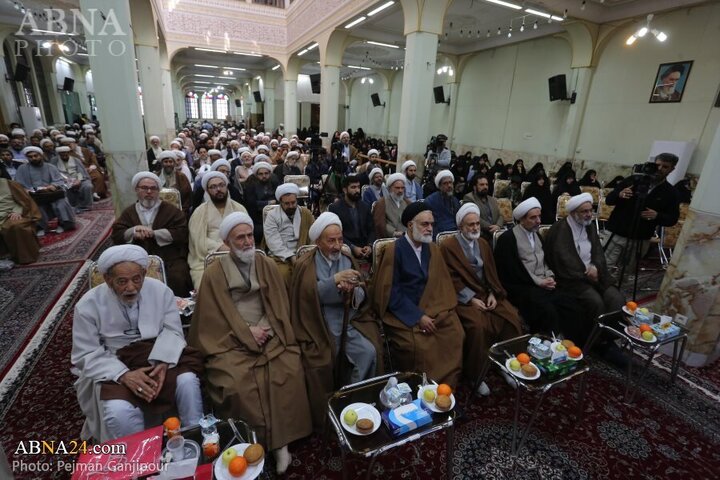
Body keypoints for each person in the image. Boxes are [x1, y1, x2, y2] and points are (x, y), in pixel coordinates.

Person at [189, 213, 311, 474]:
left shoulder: (265, 263)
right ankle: (253, 442)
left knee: (288, 368)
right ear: (227, 242)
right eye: (239, 238)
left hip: (270, 331)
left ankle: (282, 445)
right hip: (230, 338)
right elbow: (213, 317)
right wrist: (246, 332)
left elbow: (278, 302)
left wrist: (264, 328)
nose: (246, 242)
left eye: (249, 236)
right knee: (234, 382)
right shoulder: (214, 273)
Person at [71, 245, 204, 442]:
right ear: (108, 280)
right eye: (122, 281)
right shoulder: (88, 305)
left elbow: (174, 331)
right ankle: (138, 460)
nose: (131, 287)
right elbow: (86, 353)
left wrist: (162, 361)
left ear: (143, 273)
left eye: (136, 279)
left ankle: (194, 439)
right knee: (119, 411)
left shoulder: (161, 291)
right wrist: (124, 375)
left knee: (188, 383)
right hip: (114, 365)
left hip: (159, 355)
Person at [289, 212, 383, 430]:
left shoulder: (347, 258)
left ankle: (355, 402)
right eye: (330, 240)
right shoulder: (306, 264)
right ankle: (327, 415)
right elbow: (307, 296)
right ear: (317, 241)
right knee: (320, 361)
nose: (336, 245)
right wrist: (335, 282)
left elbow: (362, 292)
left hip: (349, 320)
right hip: (319, 324)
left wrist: (352, 293)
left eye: (340, 239)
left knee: (368, 351)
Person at [372, 202, 465, 387]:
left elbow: (441, 284)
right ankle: (423, 387)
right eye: (425, 224)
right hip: (404, 312)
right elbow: (390, 291)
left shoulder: (433, 249)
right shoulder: (393, 251)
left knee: (456, 333)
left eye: (431, 223)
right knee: (420, 347)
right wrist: (418, 316)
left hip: (434, 307)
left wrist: (435, 311)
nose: (430, 228)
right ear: (410, 225)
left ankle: (446, 385)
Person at [440, 203, 522, 395]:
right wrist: (470, 299)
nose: (475, 228)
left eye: (477, 224)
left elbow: (492, 274)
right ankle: (476, 374)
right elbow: (449, 278)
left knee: (511, 317)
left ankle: (504, 363)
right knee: (478, 326)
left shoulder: (483, 244)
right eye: (470, 225)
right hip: (462, 298)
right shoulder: (448, 246)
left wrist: (493, 293)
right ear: (460, 226)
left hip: (487, 294)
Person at [545, 193, 625, 344]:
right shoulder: (560, 229)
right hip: (571, 279)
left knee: (616, 298)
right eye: (584, 211)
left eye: (590, 210)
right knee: (595, 302)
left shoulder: (589, 227)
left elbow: (598, 252)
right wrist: (586, 273)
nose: (589, 214)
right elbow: (563, 259)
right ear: (573, 213)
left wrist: (595, 266)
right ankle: (593, 340)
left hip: (594, 273)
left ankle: (608, 336)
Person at [494, 198, 579, 335]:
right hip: (522, 287)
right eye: (533, 218)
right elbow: (512, 272)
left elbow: (545, 261)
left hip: (543, 283)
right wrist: (539, 282)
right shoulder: (508, 239)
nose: (538, 221)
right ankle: (545, 345)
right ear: (522, 219)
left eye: (539, 216)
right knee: (547, 310)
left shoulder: (536, 235)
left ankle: (571, 343)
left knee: (569, 303)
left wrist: (549, 276)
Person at [112, 172, 193, 297]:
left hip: (169, 257)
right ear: (136, 190)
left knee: (179, 277)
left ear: (158, 191)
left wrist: (154, 234)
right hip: (136, 259)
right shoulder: (129, 212)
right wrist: (133, 232)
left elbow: (182, 232)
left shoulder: (172, 211)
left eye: (153, 188)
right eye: (144, 188)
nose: (149, 191)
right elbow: (117, 234)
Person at [604, 153, 680, 273]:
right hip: (616, 232)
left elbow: (672, 219)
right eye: (657, 165)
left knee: (627, 271)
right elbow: (609, 200)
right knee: (604, 266)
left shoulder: (671, 193)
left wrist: (657, 216)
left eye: (665, 167)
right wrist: (619, 194)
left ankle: (614, 291)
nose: (659, 169)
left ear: (672, 169)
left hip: (640, 238)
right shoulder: (633, 180)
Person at [188, 171, 248, 289]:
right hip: (207, 257)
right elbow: (197, 239)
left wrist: (234, 247)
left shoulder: (239, 208)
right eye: (213, 187)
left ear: (226, 187)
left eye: (221, 185)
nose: (218, 189)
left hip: (237, 254)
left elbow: (247, 234)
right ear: (207, 190)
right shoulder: (200, 212)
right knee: (205, 287)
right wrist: (219, 247)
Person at [14, 146, 76, 235]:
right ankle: (41, 227)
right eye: (30, 157)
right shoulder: (22, 169)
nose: (33, 158)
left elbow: (59, 180)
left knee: (62, 203)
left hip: (51, 194)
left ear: (41, 155)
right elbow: (18, 184)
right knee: (35, 205)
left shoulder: (50, 167)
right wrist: (25, 190)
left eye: (36, 156)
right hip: (34, 196)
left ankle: (63, 224)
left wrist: (53, 185)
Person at [263, 183, 314, 285]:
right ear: (280, 202)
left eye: (293, 202)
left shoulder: (305, 213)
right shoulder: (272, 216)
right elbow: (274, 242)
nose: (291, 206)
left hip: (303, 253)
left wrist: (307, 253)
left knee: (311, 274)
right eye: (287, 203)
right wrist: (291, 257)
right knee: (283, 275)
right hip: (280, 256)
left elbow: (314, 235)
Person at [328, 175, 375, 261]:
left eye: (358, 187)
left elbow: (371, 229)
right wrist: (353, 248)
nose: (357, 190)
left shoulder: (364, 206)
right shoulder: (335, 208)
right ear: (345, 190)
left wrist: (369, 245)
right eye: (353, 187)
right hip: (345, 247)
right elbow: (336, 233)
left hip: (365, 248)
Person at [0, 176, 41, 264]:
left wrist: (17, 211)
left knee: (16, 226)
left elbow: (24, 200)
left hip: (10, 214)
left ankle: (25, 257)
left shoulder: (10, 184)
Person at [243, 161, 280, 243]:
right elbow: (251, 203)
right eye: (261, 174)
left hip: (276, 213)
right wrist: (268, 203)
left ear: (270, 173)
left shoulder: (274, 180)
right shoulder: (250, 182)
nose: (264, 176)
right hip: (257, 217)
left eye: (266, 173)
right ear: (256, 174)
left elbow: (279, 197)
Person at [51, 145, 94, 212]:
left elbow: (80, 171)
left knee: (88, 186)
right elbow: (54, 173)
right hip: (63, 181)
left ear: (69, 153)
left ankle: (86, 205)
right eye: (62, 154)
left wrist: (78, 180)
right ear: (59, 154)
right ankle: (71, 206)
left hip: (79, 178)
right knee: (64, 188)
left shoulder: (76, 160)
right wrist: (64, 180)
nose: (64, 155)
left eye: (66, 153)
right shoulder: (54, 161)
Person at [463, 175, 504, 241]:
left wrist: (498, 226)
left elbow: (500, 215)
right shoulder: (469, 198)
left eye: (486, 185)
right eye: (481, 185)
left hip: (496, 231)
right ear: (474, 187)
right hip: (481, 234)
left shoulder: (492, 199)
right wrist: (491, 228)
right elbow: (472, 217)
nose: (485, 187)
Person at [373, 173, 410, 239]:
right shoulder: (382, 203)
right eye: (397, 188)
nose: (400, 191)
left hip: (407, 237)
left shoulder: (407, 202)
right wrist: (394, 232)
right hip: (390, 238)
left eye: (402, 188)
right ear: (390, 188)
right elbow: (379, 223)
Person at [425, 170, 460, 237]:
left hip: (455, 234)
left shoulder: (455, 200)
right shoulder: (430, 201)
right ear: (440, 186)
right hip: (438, 235)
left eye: (450, 182)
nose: (449, 185)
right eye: (445, 183)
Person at [157, 151, 192, 216]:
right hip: (160, 212)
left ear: (174, 163)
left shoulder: (181, 177)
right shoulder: (156, 176)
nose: (168, 164)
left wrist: (182, 212)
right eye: (166, 162)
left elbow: (188, 196)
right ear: (162, 163)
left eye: (170, 162)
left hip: (178, 212)